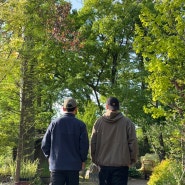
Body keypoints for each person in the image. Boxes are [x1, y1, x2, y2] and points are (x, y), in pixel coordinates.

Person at [91, 97, 138, 185]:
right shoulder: (127, 123)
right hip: (121, 165)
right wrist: (132, 160)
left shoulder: (98, 122)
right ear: (118, 107)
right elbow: (133, 143)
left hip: (103, 164)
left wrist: (94, 159)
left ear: (106, 106)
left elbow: (93, 143)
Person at [41, 97, 89, 185]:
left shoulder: (54, 123)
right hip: (73, 166)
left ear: (63, 108)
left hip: (56, 165)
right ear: (76, 109)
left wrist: (49, 157)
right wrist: (83, 160)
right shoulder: (81, 125)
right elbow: (84, 146)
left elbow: (44, 144)